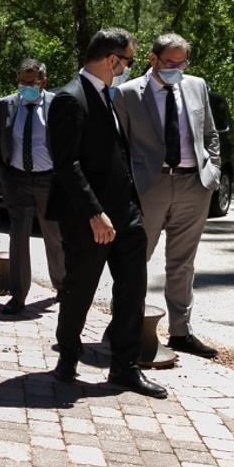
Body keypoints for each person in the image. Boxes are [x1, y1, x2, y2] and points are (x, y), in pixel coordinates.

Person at [46, 28, 167, 399]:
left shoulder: (108, 95)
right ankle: (68, 355)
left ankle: (125, 366)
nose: (128, 67)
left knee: (132, 289)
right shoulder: (70, 98)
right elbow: (67, 164)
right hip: (89, 216)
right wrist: (95, 213)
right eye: (128, 61)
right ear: (112, 59)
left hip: (126, 213)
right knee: (80, 288)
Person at [113, 34, 221, 358]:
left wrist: (212, 171)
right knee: (135, 260)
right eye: (169, 63)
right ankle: (128, 329)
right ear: (153, 58)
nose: (176, 69)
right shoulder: (127, 93)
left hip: (194, 185)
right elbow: (119, 144)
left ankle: (180, 331)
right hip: (150, 186)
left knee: (183, 263)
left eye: (182, 63)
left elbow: (210, 134)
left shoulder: (196, 85)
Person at [0, 58, 65, 314]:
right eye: (22, 81)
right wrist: (2, 173)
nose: (26, 86)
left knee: (54, 237)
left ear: (43, 81)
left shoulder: (58, 104)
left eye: (31, 82)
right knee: (18, 238)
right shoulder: (5, 105)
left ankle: (63, 287)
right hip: (16, 179)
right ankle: (18, 296)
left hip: (49, 180)